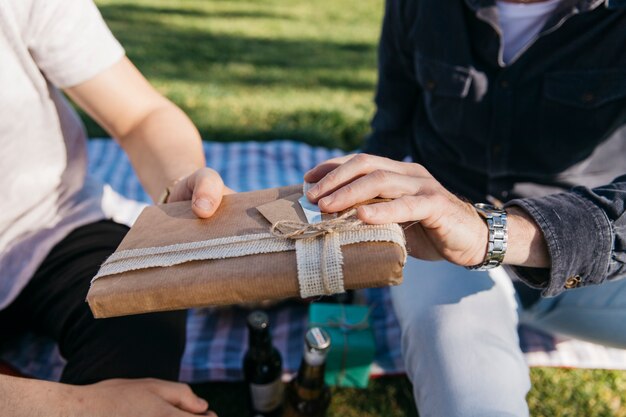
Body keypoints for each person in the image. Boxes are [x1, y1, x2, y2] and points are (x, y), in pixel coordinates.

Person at [305, 0, 626, 416]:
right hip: (435, 240)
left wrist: (491, 234)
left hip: (597, 263)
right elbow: (392, 122)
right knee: (470, 398)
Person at [0, 0, 228, 415]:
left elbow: (140, 115)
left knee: (145, 303)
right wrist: (80, 407)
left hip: (47, 222)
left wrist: (179, 185)